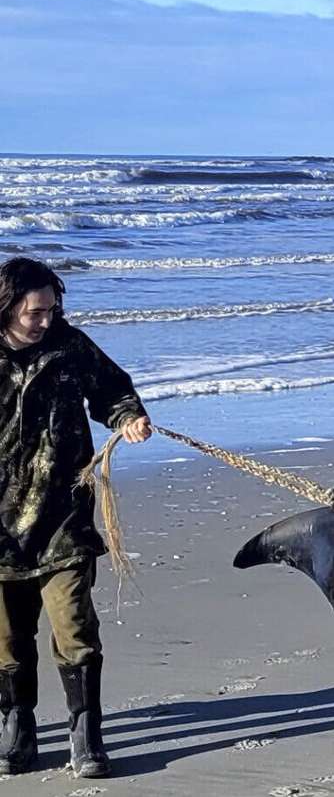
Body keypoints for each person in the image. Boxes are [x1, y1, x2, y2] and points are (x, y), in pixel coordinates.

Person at [0, 257, 149, 779]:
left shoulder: (71, 347)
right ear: (8, 306)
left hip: (64, 517)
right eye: (36, 311)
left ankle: (86, 733)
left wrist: (128, 416)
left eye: (52, 309)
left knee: (74, 626)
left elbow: (113, 390)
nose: (46, 320)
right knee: (7, 637)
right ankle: (16, 725)